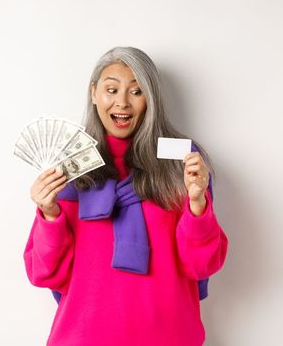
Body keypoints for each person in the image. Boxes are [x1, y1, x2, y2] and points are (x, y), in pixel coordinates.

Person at [23, 47, 228, 345]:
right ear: (94, 93)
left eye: (136, 91)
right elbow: (44, 274)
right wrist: (49, 214)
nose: (122, 102)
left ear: (151, 98)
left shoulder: (181, 161)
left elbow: (201, 265)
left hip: (169, 336)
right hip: (83, 337)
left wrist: (197, 204)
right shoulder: (71, 167)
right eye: (111, 89)